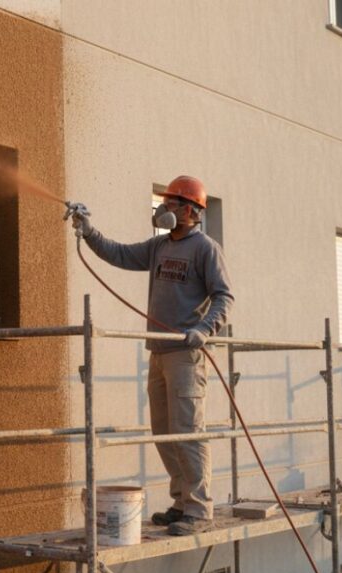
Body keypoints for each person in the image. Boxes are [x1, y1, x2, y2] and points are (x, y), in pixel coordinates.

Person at [70, 175, 233, 536]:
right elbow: (121, 254)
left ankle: (199, 508)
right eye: (165, 201)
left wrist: (204, 330)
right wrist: (89, 230)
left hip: (185, 354)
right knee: (164, 431)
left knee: (187, 432)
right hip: (158, 351)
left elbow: (224, 297)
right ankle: (181, 502)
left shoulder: (205, 248)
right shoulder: (159, 248)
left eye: (174, 203)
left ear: (192, 211)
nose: (165, 208)